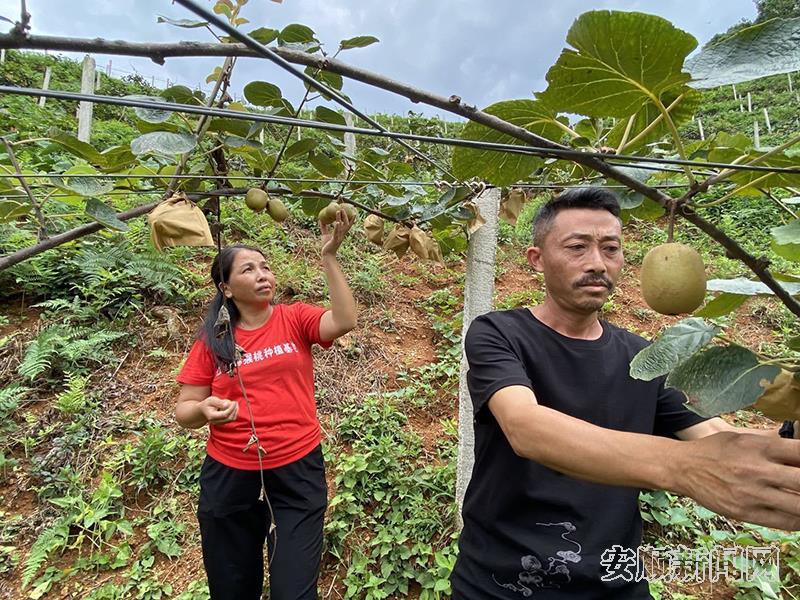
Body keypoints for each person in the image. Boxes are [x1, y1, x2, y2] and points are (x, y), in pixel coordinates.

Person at [450, 187, 800, 599]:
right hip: (501, 585)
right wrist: (684, 468)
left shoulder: (644, 358)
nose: (597, 263)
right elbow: (526, 427)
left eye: (610, 248)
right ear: (537, 259)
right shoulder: (499, 333)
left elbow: (715, 439)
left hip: (615, 585)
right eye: (577, 247)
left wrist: (789, 435)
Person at [175, 208, 357, 600]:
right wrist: (204, 410)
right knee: (232, 589)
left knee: (294, 592)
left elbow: (344, 320)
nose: (263, 275)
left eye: (265, 267)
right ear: (225, 288)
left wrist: (329, 257)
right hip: (230, 476)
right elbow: (184, 410)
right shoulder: (213, 339)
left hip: (297, 471)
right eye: (248, 270)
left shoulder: (295, 319)